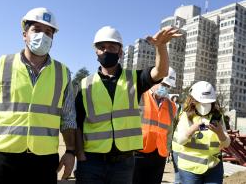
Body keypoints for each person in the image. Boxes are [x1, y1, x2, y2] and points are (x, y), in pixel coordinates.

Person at [0, 7, 77, 184]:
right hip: (3, 159)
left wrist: (70, 152)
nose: (43, 36)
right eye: (36, 30)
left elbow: (68, 119)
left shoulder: (63, 73)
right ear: (24, 34)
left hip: (44, 161)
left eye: (48, 32)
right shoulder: (2, 65)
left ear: (53, 38)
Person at [75, 26, 182, 184]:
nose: (106, 51)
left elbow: (160, 72)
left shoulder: (134, 79)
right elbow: (77, 123)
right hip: (91, 162)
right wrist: (80, 154)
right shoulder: (85, 85)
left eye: (112, 47)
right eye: (102, 47)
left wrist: (160, 46)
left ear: (120, 52)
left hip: (123, 164)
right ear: (96, 51)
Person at [172, 81, 231, 184]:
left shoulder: (217, 117)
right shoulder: (186, 116)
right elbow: (180, 141)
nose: (205, 106)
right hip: (189, 169)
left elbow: (226, 143)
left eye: (208, 102)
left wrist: (220, 133)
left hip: (213, 167)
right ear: (193, 100)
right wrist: (193, 129)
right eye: (202, 102)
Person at [133, 67, 177, 184]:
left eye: (168, 86)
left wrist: (167, 150)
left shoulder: (172, 106)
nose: (165, 88)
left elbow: (169, 131)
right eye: (163, 84)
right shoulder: (139, 97)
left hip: (159, 155)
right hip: (138, 152)